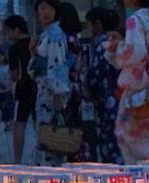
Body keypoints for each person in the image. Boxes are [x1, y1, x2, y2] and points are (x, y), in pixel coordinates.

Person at [106, 0, 149, 163]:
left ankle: (141, 174)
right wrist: (123, 43)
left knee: (127, 134)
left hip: (139, 86)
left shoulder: (134, 20)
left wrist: (117, 48)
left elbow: (135, 53)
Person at [30, 0, 72, 165]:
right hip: (44, 87)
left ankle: (49, 170)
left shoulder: (54, 33)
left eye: (50, 8)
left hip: (51, 90)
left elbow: (57, 64)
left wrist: (58, 92)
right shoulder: (46, 34)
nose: (46, 12)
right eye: (43, 8)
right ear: (37, 12)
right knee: (47, 132)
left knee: (49, 133)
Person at [85, 7, 124, 164]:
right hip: (122, 95)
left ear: (97, 23)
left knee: (109, 140)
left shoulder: (102, 44)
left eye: (90, 24)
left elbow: (95, 74)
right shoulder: (120, 41)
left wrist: (88, 91)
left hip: (107, 98)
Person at [57, 2, 90, 162]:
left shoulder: (64, 39)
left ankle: (75, 154)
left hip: (66, 86)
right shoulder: (75, 38)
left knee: (68, 125)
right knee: (75, 123)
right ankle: (80, 154)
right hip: (76, 85)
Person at [3, 14, 35, 164]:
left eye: (8, 31)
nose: (7, 35)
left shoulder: (14, 48)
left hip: (23, 89)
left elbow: (14, 75)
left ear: (17, 29)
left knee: (19, 123)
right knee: (39, 123)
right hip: (39, 88)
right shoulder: (36, 42)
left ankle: (17, 160)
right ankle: (40, 156)